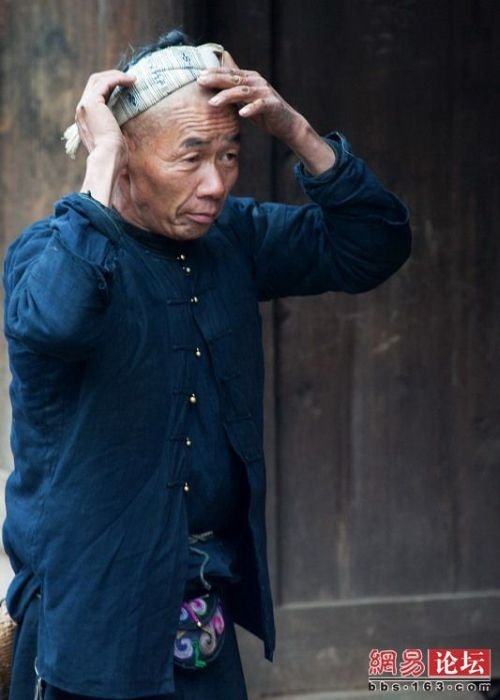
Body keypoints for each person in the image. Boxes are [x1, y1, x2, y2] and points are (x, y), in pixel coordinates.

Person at [2, 29, 411, 700]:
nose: (216, 182)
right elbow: (59, 318)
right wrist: (99, 157)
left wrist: (297, 129)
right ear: (130, 156)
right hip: (89, 614)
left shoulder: (233, 238)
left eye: (229, 155)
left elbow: (375, 244)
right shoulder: (49, 254)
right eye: (191, 156)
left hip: (200, 604)